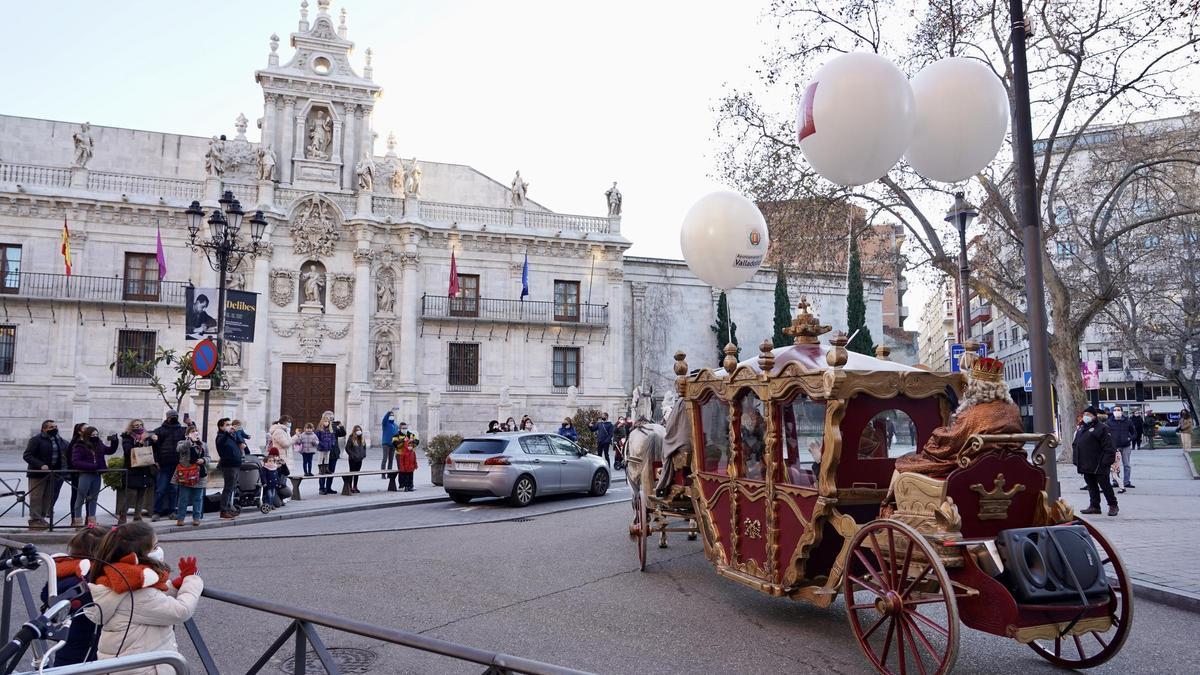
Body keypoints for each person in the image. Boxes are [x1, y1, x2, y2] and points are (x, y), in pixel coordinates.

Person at [85, 521, 203, 673]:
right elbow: (181, 610)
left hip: (128, 665)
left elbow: (154, 600)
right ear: (137, 555)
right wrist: (193, 579)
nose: (159, 550)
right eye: (154, 547)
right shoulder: (135, 592)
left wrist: (173, 586)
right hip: (145, 668)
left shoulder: (118, 579)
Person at [894, 357, 1024, 478]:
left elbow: (949, 444)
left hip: (973, 468)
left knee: (904, 464)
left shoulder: (974, 413)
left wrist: (939, 432)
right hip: (1011, 467)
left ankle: (890, 502)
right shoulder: (1014, 409)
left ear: (975, 387)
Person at [42, 527, 105, 666]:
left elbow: (45, 594)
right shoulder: (92, 577)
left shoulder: (64, 570)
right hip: (89, 637)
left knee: (64, 663)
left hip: (67, 631)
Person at [1073, 405, 1118, 516]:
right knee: (1091, 486)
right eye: (1085, 414)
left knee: (1105, 485)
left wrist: (1106, 462)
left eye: (1088, 415)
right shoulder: (1082, 428)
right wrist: (1076, 460)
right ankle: (1094, 506)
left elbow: (1109, 447)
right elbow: (1076, 444)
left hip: (1099, 464)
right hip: (1086, 463)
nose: (1086, 416)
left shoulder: (1102, 428)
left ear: (1094, 416)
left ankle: (1113, 505)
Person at [71, 426, 119, 527]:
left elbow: (110, 450)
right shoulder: (79, 446)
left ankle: (92, 522)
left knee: (94, 498)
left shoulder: (99, 444)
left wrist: (114, 441)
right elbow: (76, 462)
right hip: (86, 474)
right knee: (80, 497)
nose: (95, 437)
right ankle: (78, 522)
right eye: (93, 435)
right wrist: (92, 466)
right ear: (87, 436)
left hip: (97, 474)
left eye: (97, 435)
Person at [23, 420, 67, 530]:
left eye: (55, 426)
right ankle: (34, 520)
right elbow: (27, 455)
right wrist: (41, 465)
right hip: (37, 474)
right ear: (44, 429)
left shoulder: (58, 440)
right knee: (36, 497)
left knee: (47, 497)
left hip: (52, 474)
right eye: (51, 427)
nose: (55, 429)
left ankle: (41, 519)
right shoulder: (36, 439)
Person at [149, 410, 187, 522]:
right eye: (172, 416)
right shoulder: (159, 431)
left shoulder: (182, 430)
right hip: (163, 464)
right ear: (167, 418)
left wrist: (190, 424)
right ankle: (156, 511)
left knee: (174, 489)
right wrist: (155, 460)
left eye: (175, 416)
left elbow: (192, 435)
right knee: (160, 489)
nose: (173, 418)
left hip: (177, 464)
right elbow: (153, 448)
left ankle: (172, 511)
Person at [119, 419, 156, 524]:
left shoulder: (147, 437)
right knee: (131, 494)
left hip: (144, 468)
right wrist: (140, 442)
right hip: (132, 469)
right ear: (131, 427)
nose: (139, 427)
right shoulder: (127, 437)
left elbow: (152, 450)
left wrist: (154, 441)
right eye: (136, 425)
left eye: (140, 425)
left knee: (141, 493)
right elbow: (128, 451)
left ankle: (137, 516)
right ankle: (123, 515)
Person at [173, 426, 207, 526]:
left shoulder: (203, 444)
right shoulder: (182, 442)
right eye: (192, 431)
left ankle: (196, 517)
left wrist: (204, 460)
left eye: (196, 431)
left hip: (199, 474)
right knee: (183, 498)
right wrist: (190, 441)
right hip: (186, 474)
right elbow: (179, 449)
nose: (195, 433)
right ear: (187, 434)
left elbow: (208, 457)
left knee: (198, 498)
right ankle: (180, 518)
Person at [215, 418, 242, 519]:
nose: (229, 426)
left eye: (230, 424)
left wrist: (237, 433)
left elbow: (239, 443)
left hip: (235, 464)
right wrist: (227, 433)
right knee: (228, 488)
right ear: (221, 427)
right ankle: (224, 510)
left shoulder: (230, 436)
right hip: (228, 465)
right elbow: (221, 442)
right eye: (227, 425)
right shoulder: (221, 437)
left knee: (232, 488)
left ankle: (229, 508)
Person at [1106, 405, 1137, 489]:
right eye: (1115, 410)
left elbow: (1134, 433)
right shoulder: (1109, 422)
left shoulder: (1127, 421)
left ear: (1122, 411)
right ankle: (1116, 481)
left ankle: (1126, 482)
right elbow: (1106, 434)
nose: (1117, 411)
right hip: (1114, 447)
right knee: (1115, 465)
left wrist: (1130, 439)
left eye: (1118, 410)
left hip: (1125, 446)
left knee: (1126, 465)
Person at [315, 412, 347, 495]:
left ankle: (328, 487)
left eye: (331, 417)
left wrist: (341, 426)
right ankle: (322, 488)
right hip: (324, 451)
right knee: (323, 470)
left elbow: (343, 434)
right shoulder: (320, 428)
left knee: (331, 471)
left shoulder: (334, 427)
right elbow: (316, 439)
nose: (330, 419)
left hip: (334, 452)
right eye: (328, 417)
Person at [344, 426, 367, 494]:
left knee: (357, 473)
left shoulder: (362, 438)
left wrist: (364, 454)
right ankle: (350, 487)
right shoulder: (351, 438)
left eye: (359, 430)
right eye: (357, 430)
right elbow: (347, 448)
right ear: (354, 431)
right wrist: (352, 455)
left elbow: (364, 447)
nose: (358, 431)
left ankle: (355, 486)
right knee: (352, 473)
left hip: (360, 458)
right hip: (352, 459)